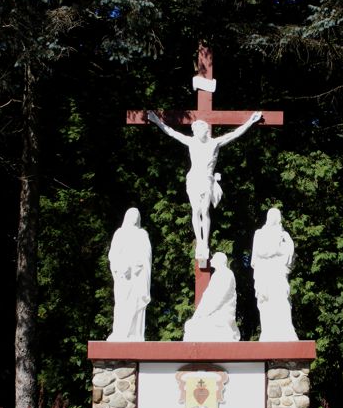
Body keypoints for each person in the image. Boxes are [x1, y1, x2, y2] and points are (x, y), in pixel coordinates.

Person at [147, 111, 262, 261]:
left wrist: (250, 122)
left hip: (207, 179)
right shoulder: (192, 142)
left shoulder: (214, 143)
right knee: (196, 210)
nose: (203, 132)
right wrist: (157, 121)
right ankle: (199, 241)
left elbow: (234, 134)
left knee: (205, 210)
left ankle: (205, 241)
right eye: (200, 130)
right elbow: (171, 132)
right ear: (195, 131)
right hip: (194, 179)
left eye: (204, 130)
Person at [251, 208, 298, 341]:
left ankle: (285, 330)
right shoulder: (260, 234)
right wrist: (278, 250)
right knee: (265, 302)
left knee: (282, 299)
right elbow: (260, 252)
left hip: (278, 273)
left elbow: (290, 254)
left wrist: (278, 251)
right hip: (265, 273)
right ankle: (268, 332)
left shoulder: (284, 236)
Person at [107, 208, 152, 342]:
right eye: (132, 215)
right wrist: (121, 267)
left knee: (136, 303)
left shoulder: (142, 234)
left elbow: (146, 255)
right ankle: (120, 332)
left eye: (136, 216)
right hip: (123, 277)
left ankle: (134, 334)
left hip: (137, 277)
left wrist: (136, 265)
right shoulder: (120, 233)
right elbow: (113, 254)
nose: (134, 218)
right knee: (122, 303)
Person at [183, 252, 240, 342]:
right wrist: (198, 314)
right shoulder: (218, 274)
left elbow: (216, 300)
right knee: (191, 325)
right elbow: (209, 297)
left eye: (214, 258)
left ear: (219, 261)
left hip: (221, 316)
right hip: (213, 314)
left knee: (193, 326)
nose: (211, 260)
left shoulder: (225, 274)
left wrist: (201, 314)